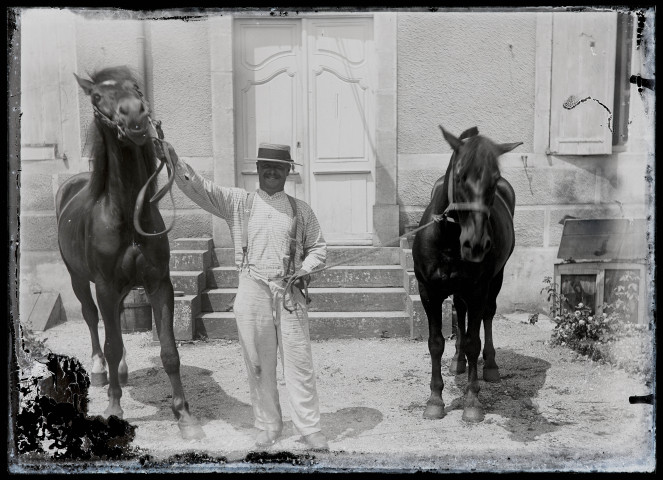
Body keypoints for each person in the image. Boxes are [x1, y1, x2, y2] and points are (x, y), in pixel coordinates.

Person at [163, 141, 329, 451]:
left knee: (299, 362)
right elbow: (202, 189)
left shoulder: (301, 210)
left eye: (278, 167)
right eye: (266, 165)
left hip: (288, 291)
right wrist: (176, 163)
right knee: (257, 364)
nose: (271, 171)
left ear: (288, 171)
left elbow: (319, 248)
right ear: (256, 169)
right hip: (251, 287)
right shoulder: (239, 202)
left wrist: (305, 269)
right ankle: (268, 424)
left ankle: (309, 428)